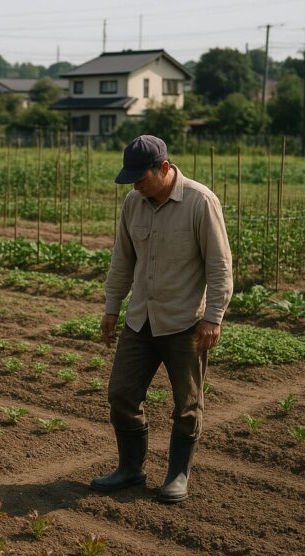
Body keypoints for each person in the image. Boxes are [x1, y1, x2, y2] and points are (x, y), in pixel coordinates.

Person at [90, 135, 233, 503]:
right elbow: (122, 260)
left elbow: (220, 267)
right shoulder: (133, 203)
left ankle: (177, 475)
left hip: (185, 322)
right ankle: (131, 469)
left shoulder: (200, 202)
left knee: (187, 404)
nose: (135, 185)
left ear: (165, 169)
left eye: (141, 177)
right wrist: (112, 306)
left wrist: (213, 317)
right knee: (121, 394)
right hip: (141, 320)